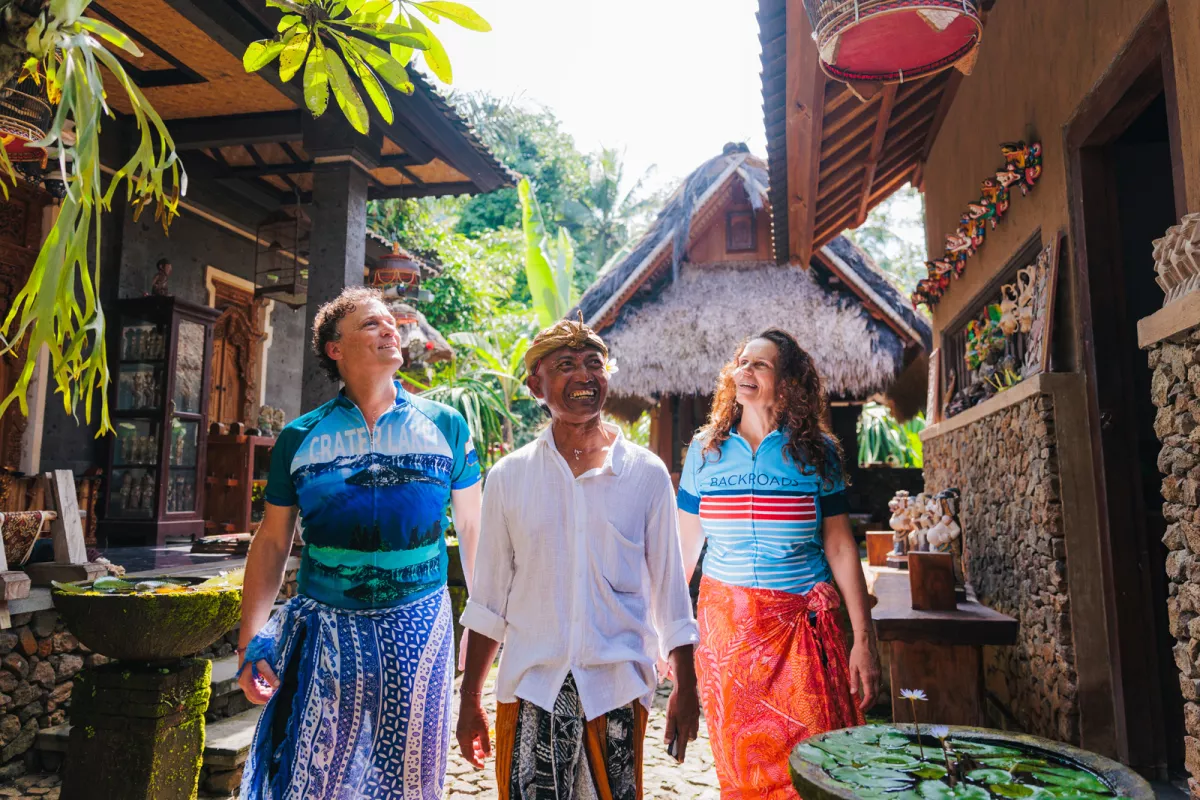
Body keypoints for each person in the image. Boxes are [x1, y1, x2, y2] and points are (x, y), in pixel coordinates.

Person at [235, 286, 482, 799]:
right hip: (326, 627)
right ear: (335, 348)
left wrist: (477, 623)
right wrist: (250, 639)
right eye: (372, 323)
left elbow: (475, 529)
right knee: (313, 776)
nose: (391, 329)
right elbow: (274, 540)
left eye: (393, 322)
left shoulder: (446, 426)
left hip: (420, 624)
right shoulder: (299, 439)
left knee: (410, 778)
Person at [456, 315, 701, 800]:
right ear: (536, 383)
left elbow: (671, 595)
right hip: (530, 690)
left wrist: (687, 688)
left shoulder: (645, 474)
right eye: (565, 365)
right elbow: (488, 603)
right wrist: (469, 702)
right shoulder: (509, 476)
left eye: (594, 363)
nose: (584, 376)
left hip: (616, 690)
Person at [677, 328, 881, 800]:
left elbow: (840, 547)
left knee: (812, 761)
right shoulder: (705, 451)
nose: (744, 371)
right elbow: (684, 548)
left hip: (801, 630)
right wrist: (666, 636)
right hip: (726, 635)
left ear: (786, 383)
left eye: (760, 365)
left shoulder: (817, 453)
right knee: (741, 763)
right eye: (741, 363)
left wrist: (863, 640)